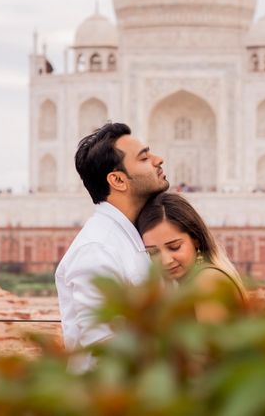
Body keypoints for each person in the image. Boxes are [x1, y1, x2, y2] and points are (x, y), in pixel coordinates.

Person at [55, 122, 169, 370]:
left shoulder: (128, 236)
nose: (159, 160)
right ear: (118, 180)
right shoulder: (97, 249)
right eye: (144, 158)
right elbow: (103, 352)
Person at [136, 192, 248, 322]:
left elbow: (212, 342)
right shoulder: (195, 281)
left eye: (175, 247)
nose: (166, 261)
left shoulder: (207, 281)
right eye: (153, 253)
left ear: (196, 239)